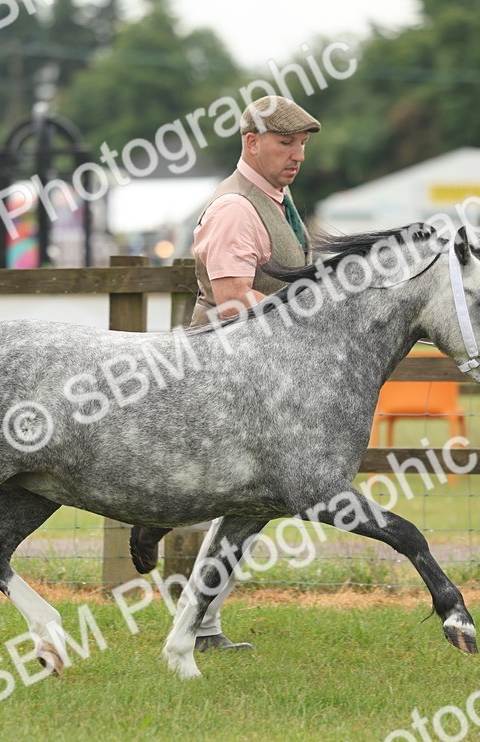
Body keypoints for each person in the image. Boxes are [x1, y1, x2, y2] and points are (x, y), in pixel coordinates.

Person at [130, 95, 321, 652]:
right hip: (221, 368)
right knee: (254, 495)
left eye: (303, 144)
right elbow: (233, 300)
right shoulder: (237, 207)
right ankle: (156, 516)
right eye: (286, 143)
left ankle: (201, 621)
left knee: (253, 503)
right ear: (251, 143)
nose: (297, 155)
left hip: (257, 364)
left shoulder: (276, 200)